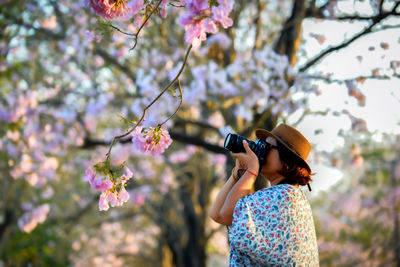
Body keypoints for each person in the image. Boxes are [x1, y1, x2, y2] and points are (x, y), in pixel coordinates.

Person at [210, 124, 319, 266]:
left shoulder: (284, 197)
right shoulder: (286, 196)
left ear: (286, 160)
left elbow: (225, 215)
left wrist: (252, 171)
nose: (260, 150)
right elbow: (217, 215)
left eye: (266, 147)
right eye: (260, 144)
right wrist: (238, 174)